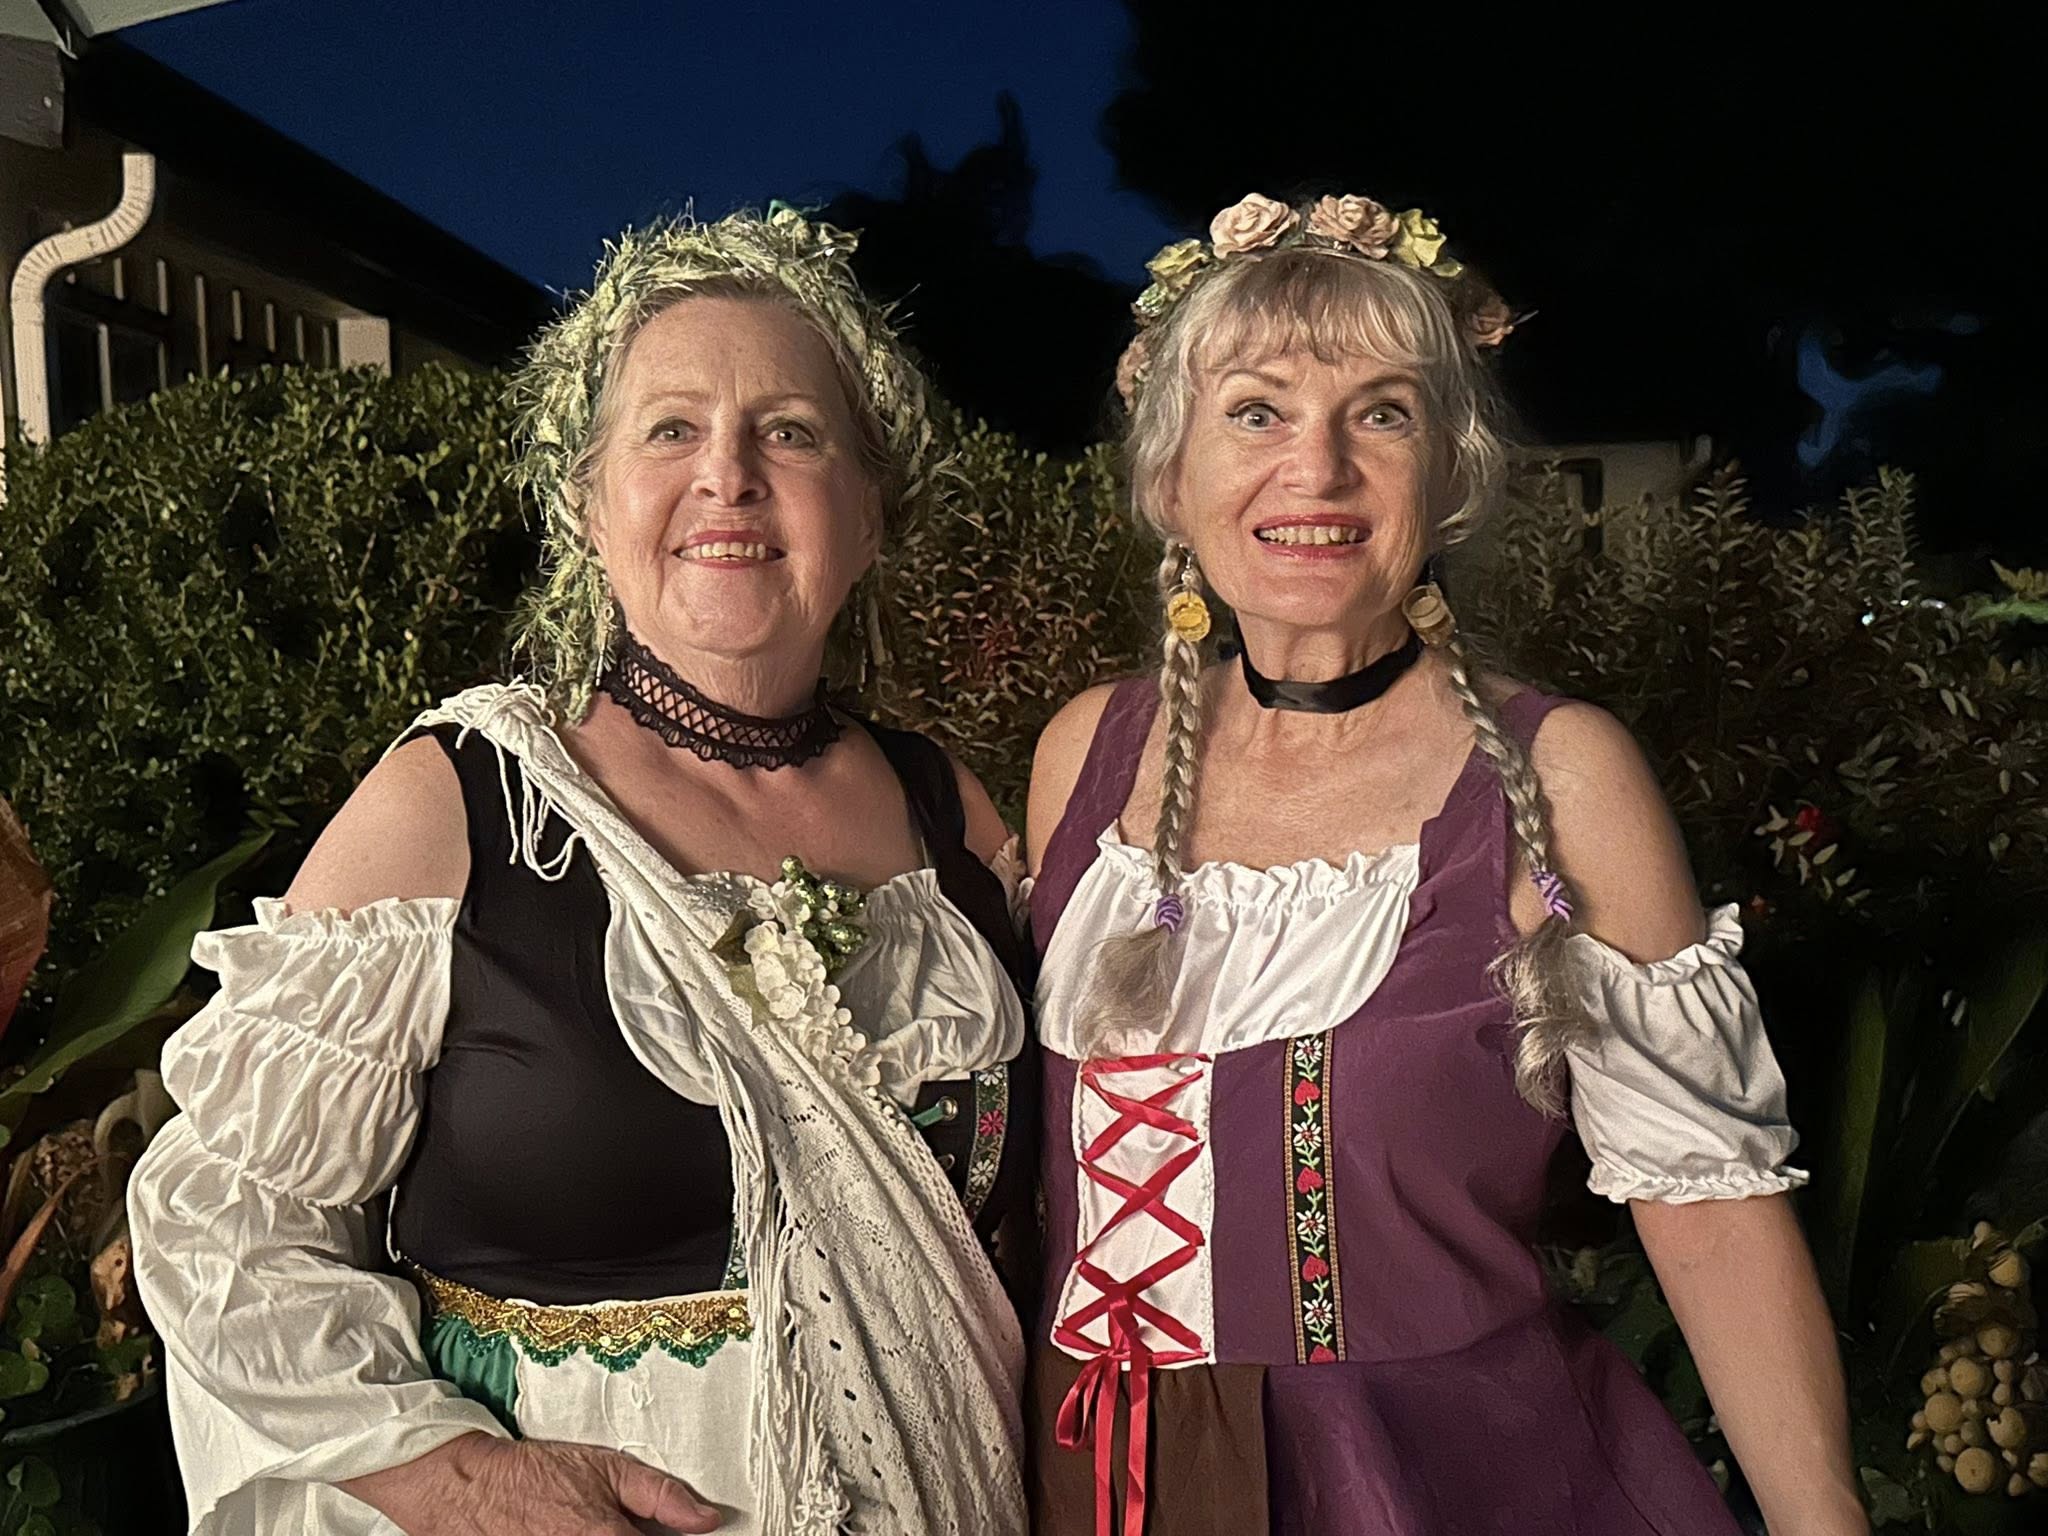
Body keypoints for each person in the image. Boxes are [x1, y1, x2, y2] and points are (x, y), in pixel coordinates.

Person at [130, 208, 1033, 1536]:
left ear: (870, 507)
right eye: (670, 430)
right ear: (586, 503)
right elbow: (225, 1222)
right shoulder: (464, 799)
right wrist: (461, 1480)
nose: (728, 476)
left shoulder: (949, 813)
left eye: (791, 432)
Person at [1023, 193, 1865, 1536]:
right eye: (1256, 412)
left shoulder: (1559, 776)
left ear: (1449, 476)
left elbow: (1708, 1213)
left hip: (1435, 1480)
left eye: (1383, 414)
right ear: (1171, 477)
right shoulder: (1085, 757)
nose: (1316, 470)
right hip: (1092, 1478)